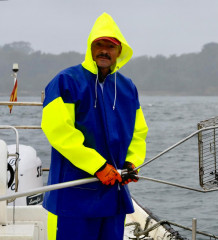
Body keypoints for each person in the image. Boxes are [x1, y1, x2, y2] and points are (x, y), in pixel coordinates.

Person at [41, 12, 148, 240]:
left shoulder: (128, 88)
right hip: (72, 195)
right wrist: (97, 166)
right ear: (90, 47)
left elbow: (139, 132)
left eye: (110, 46)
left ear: (120, 51)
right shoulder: (66, 81)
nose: (104, 50)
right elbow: (59, 132)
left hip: (113, 196)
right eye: (99, 44)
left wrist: (132, 162)